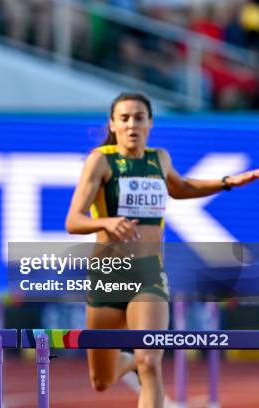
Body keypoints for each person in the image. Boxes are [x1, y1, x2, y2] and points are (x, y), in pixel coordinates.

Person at [65, 92, 259, 407]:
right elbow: (73, 220)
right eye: (124, 118)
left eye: (139, 117)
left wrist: (226, 182)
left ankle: (137, 359)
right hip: (108, 273)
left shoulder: (160, 159)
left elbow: (180, 187)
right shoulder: (100, 160)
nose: (132, 125)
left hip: (148, 274)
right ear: (112, 124)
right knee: (101, 380)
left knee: (150, 362)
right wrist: (106, 223)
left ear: (150, 123)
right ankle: (125, 359)